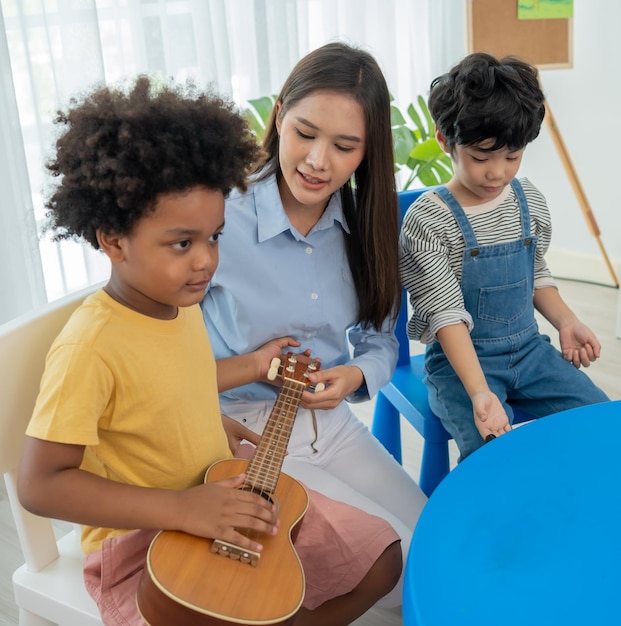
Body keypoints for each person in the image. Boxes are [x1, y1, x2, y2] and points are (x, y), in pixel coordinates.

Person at [16, 76, 404, 626]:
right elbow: (39, 483)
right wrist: (180, 508)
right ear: (113, 238)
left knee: (384, 559)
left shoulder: (177, 309)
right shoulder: (89, 345)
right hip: (144, 537)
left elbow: (165, 393)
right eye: (182, 243)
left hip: (215, 484)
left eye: (215, 237)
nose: (206, 261)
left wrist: (205, 425)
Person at [201, 41, 427, 610]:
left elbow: (379, 337)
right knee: (391, 566)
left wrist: (353, 377)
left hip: (333, 428)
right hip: (245, 437)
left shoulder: (366, 226)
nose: (318, 160)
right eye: (304, 133)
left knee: (434, 546)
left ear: (366, 152)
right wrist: (249, 370)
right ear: (278, 116)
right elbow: (160, 365)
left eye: (344, 145)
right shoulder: (214, 218)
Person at [399, 52, 609, 461]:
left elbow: (536, 271)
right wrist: (480, 392)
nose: (497, 173)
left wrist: (567, 322)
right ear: (446, 141)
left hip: (531, 351)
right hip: (462, 365)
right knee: (491, 453)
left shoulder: (526, 198)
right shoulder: (430, 219)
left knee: (601, 421)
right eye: (481, 158)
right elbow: (445, 314)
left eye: (512, 157)